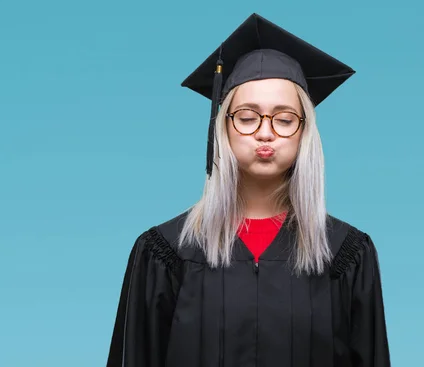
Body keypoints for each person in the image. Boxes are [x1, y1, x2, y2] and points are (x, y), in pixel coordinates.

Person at [106, 13, 391, 367]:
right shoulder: (166, 255)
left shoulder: (345, 255)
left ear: (305, 134)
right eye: (247, 116)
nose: (265, 133)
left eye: (285, 119)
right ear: (222, 127)